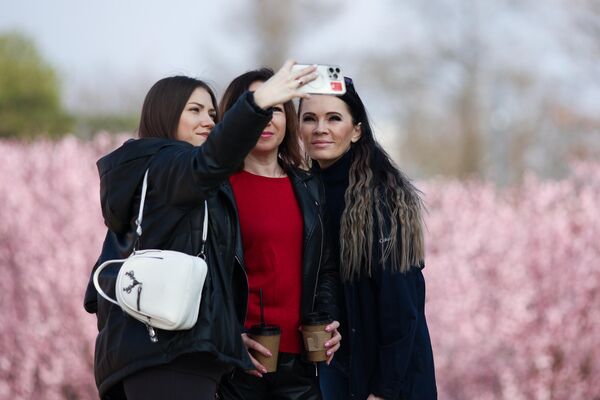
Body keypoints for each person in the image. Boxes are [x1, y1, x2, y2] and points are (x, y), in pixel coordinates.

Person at [83, 61, 318, 400]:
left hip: (153, 353)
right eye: (194, 110)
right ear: (165, 115)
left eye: (211, 112)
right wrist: (259, 101)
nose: (208, 120)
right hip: (168, 355)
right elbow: (209, 162)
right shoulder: (168, 165)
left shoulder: (158, 176)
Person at [298, 77, 437, 400]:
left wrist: (383, 390)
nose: (320, 128)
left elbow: (401, 306)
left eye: (334, 118)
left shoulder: (385, 197)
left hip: (387, 377)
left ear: (356, 130)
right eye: (309, 118)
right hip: (332, 367)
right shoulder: (304, 192)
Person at [216, 68, 341, 400]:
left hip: (300, 363)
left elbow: (325, 268)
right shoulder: (215, 191)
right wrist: (228, 338)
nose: (266, 120)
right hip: (236, 368)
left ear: (287, 116)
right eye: (257, 108)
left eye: (275, 108)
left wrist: (328, 323)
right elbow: (205, 276)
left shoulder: (309, 186)